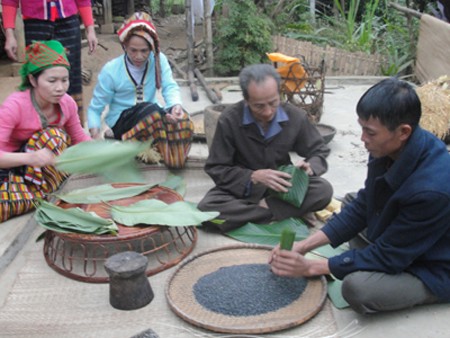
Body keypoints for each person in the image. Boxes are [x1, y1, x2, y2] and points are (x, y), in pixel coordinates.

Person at [269, 77, 450, 314]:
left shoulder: (432, 190)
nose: (362, 138)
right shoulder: (389, 146)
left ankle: (430, 292)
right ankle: (367, 255)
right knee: (353, 201)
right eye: (362, 127)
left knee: (358, 288)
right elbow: (365, 202)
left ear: (403, 131)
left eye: (370, 132)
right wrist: (304, 246)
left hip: (434, 264)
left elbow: (390, 257)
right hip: (405, 238)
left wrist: (313, 267)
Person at [197, 63, 333, 232]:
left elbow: (319, 150)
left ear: (279, 94)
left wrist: (310, 167)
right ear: (247, 101)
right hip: (245, 189)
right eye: (259, 106)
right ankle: (281, 212)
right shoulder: (229, 120)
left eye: (273, 103)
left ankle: (265, 210)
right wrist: (253, 176)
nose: (268, 112)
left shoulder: (295, 116)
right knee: (207, 209)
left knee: (323, 190)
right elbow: (216, 167)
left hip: (282, 187)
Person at [87, 11, 193, 169]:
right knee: (153, 113)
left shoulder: (158, 60)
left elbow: (169, 86)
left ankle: (172, 158)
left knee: (183, 120)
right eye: (133, 50)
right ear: (124, 46)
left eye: (144, 51)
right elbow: (95, 108)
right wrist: (95, 134)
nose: (139, 56)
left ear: (151, 47)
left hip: (152, 117)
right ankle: (134, 145)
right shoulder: (111, 70)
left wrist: (175, 106)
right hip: (123, 123)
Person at [0, 40, 91, 223]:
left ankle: (34, 192)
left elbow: (79, 137)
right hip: (11, 166)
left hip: (39, 169)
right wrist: (31, 158)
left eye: (64, 80)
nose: (60, 88)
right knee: (51, 138)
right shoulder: (14, 106)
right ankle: (28, 193)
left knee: (56, 140)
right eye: (52, 81)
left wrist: (104, 151)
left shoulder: (67, 103)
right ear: (33, 80)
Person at [1, 0, 98, 124]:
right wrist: (10, 34)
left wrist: (90, 29)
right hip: (35, 23)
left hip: (68, 22)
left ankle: (72, 131)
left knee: (70, 77)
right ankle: (39, 131)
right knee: (37, 76)